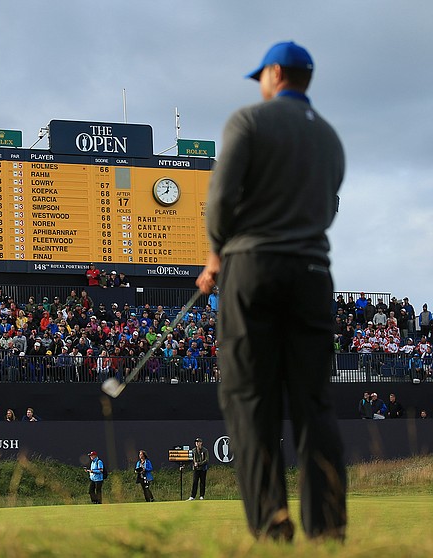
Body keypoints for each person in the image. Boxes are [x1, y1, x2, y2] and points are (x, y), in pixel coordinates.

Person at [196, 41, 346, 541]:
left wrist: (217, 250)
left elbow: (219, 197)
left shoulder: (249, 122)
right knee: (314, 403)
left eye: (261, 76)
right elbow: (329, 209)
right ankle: (327, 533)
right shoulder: (330, 139)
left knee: (249, 400)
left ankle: (272, 528)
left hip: (252, 268)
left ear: (276, 74)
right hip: (312, 273)